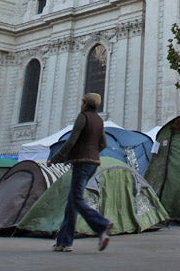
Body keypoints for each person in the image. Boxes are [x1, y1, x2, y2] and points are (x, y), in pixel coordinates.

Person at [47, 93, 113, 252]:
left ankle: (102, 225)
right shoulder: (99, 120)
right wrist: (94, 152)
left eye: (82, 101)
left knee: (76, 200)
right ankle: (64, 242)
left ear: (85, 103)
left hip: (81, 162)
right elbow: (103, 143)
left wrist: (55, 158)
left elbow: (71, 141)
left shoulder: (82, 117)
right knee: (72, 203)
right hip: (93, 163)